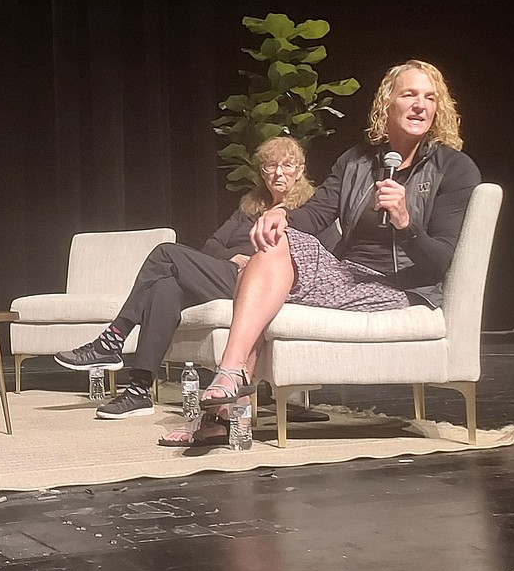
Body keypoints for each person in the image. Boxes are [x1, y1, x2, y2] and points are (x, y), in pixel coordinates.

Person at [161, 58, 481, 446]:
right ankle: (230, 388)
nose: (420, 105)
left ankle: (222, 410)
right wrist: (279, 213)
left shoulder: (455, 169)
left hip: (402, 289)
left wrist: (406, 223)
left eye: (430, 98)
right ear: (388, 103)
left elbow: (446, 261)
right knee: (274, 242)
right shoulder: (357, 161)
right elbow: (316, 213)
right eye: (409, 94)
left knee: (256, 279)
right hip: (346, 276)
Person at [55, 135, 317, 422]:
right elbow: (213, 245)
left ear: (300, 169)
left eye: (287, 166)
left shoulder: (309, 209)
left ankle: (112, 339)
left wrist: (257, 263)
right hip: (229, 273)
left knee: (165, 253)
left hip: (265, 287)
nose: (278, 173)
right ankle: (138, 391)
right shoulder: (250, 207)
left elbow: (314, 254)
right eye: (270, 166)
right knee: (165, 286)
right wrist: (232, 256)